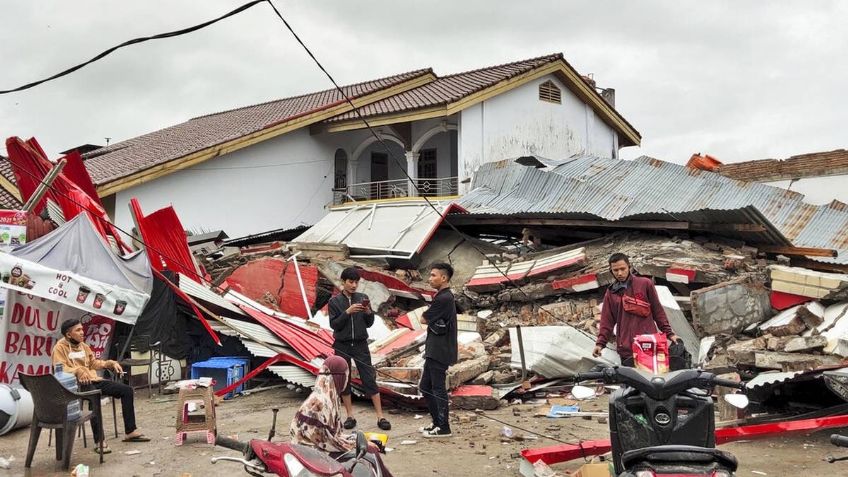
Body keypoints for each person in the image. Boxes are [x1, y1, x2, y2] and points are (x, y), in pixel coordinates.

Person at [51, 319, 149, 453]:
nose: (82, 332)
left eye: (81, 329)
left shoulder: (83, 346)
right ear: (68, 334)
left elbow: (93, 363)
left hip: (93, 380)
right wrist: (77, 371)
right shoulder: (59, 348)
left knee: (127, 391)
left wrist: (109, 363)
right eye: (78, 330)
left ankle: (130, 431)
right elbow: (60, 369)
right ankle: (99, 441)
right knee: (95, 397)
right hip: (75, 385)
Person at [290, 356, 392, 476]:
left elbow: (330, 436)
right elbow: (327, 443)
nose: (347, 379)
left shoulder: (326, 396)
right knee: (370, 451)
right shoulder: (321, 404)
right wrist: (356, 443)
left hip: (316, 448)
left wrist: (356, 439)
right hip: (312, 455)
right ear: (339, 377)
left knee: (368, 445)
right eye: (346, 375)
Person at [328, 267, 390, 431]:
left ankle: (380, 417)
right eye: (351, 282)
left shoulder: (363, 298)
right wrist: (347, 312)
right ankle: (350, 416)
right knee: (345, 380)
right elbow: (334, 325)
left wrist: (369, 312)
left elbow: (369, 323)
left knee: (369, 377)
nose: (354, 285)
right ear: (343, 282)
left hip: (361, 344)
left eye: (356, 282)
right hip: (343, 345)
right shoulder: (334, 302)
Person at [593, 253, 680, 366]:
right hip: (626, 349)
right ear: (611, 271)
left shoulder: (645, 284)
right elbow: (606, 321)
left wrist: (670, 334)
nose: (619, 273)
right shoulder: (611, 293)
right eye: (615, 270)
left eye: (623, 269)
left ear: (629, 267)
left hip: (648, 345)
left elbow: (658, 312)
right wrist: (600, 344)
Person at [418, 262, 458, 438]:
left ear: (444, 278)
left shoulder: (444, 298)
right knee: (425, 386)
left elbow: (424, 319)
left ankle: (444, 427)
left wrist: (429, 317)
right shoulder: (443, 297)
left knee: (437, 388)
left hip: (440, 350)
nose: (430, 278)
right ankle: (436, 422)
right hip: (435, 348)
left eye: (433, 275)